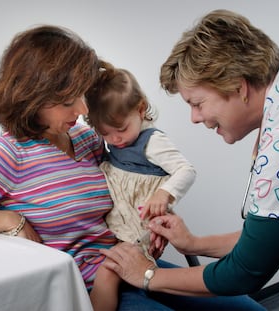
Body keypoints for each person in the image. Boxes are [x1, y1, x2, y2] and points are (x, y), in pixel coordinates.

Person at [0, 23, 265, 311]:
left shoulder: (86, 139)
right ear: (30, 99)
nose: (81, 108)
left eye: (82, 95)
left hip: (133, 262)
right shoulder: (5, 154)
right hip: (90, 287)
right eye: (66, 102)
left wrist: (153, 218)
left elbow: (125, 187)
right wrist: (9, 219)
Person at [100, 8, 279, 299]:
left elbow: (244, 272)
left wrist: (147, 274)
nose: (194, 117)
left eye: (198, 103)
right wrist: (193, 243)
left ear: (238, 86)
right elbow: (266, 242)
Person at [85, 61, 195, 310]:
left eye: (121, 129)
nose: (115, 139)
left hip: (140, 223)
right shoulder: (116, 141)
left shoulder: (152, 142)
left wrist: (164, 193)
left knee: (108, 272)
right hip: (120, 224)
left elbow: (186, 170)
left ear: (141, 109)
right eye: (106, 134)